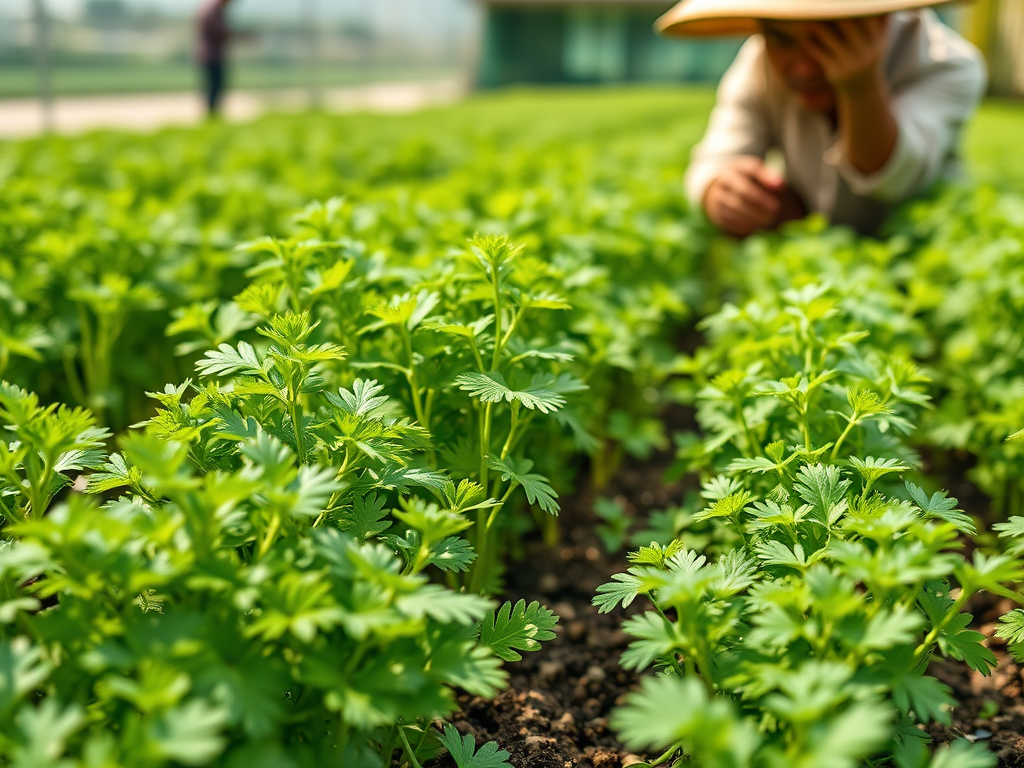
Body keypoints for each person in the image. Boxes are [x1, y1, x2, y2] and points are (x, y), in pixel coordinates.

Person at [656, 0, 987, 236]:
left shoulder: (947, 64)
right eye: (782, 39)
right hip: (809, 244)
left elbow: (895, 180)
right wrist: (724, 191)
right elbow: (716, 158)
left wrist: (860, 87)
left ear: (880, 18)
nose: (803, 68)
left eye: (830, 37)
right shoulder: (758, 63)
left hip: (920, 253)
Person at [197, 0, 234, 118]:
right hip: (211, 56)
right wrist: (239, 36)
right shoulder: (212, 10)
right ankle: (211, 117)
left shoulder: (214, 9)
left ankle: (213, 116)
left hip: (213, 55)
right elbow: (219, 32)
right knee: (214, 88)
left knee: (216, 88)